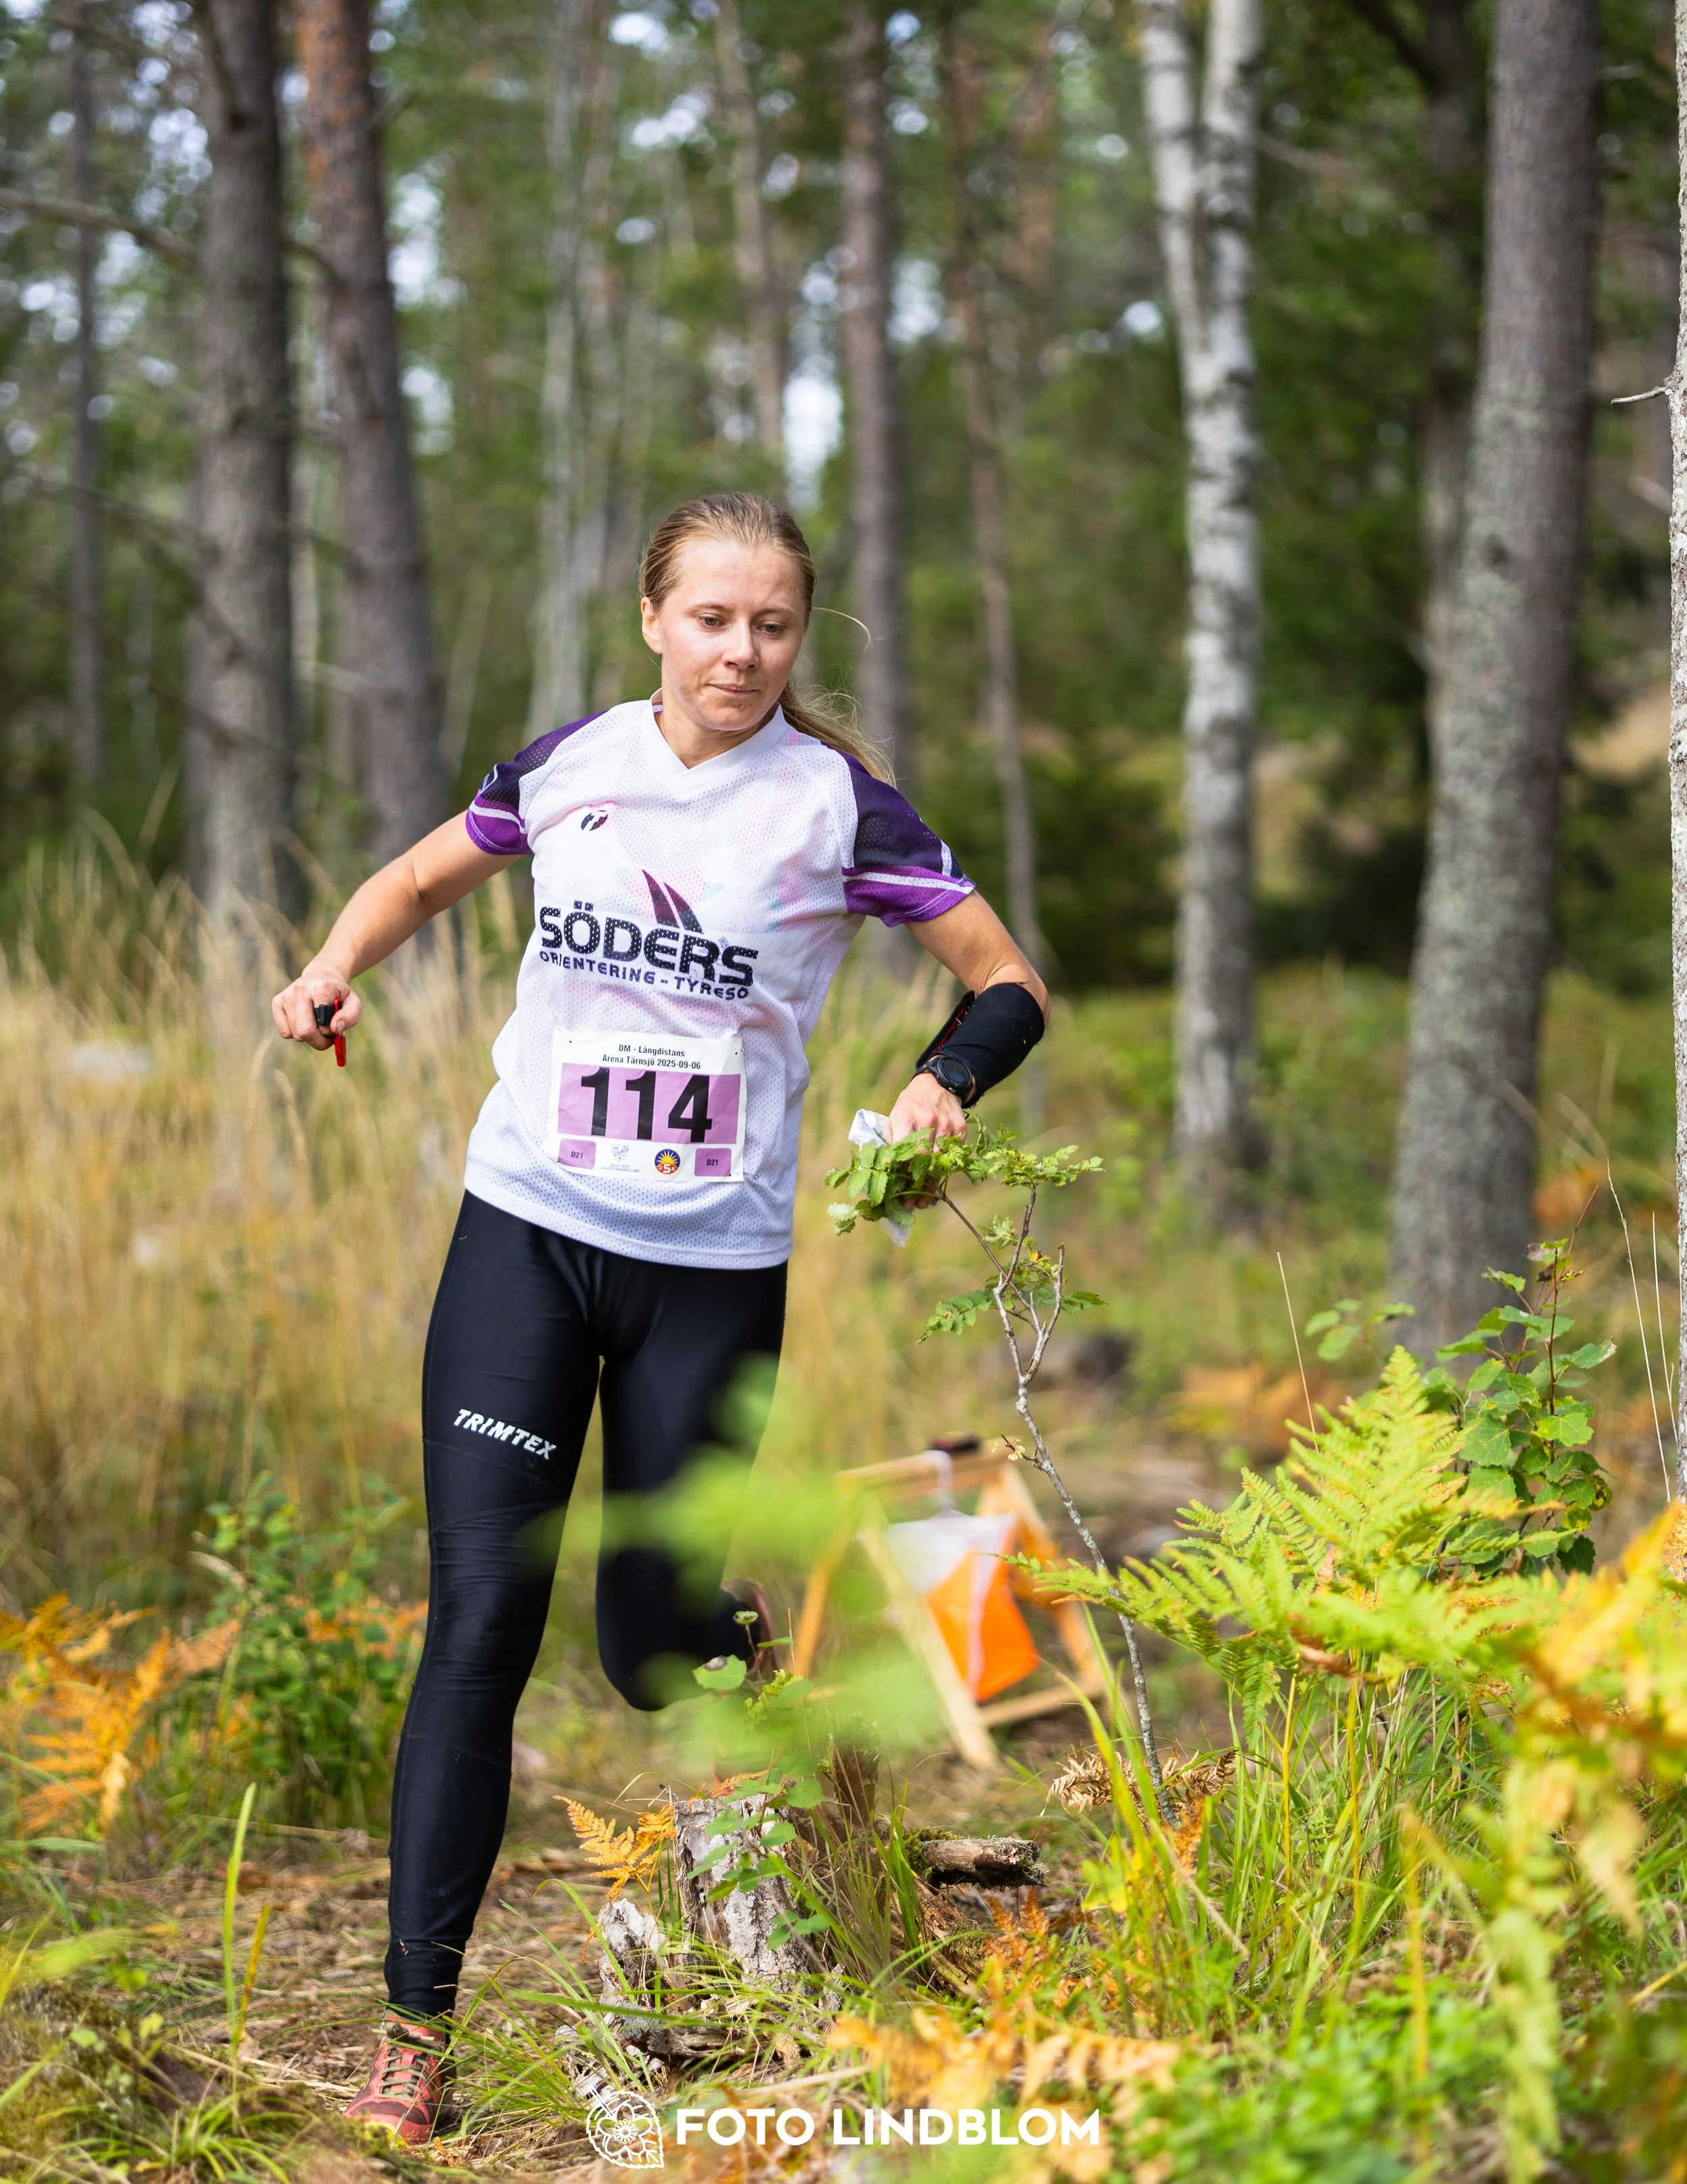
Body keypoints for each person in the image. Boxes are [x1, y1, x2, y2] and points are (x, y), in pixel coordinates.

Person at [271, 492, 1047, 2145]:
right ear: (652, 620)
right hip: (527, 1238)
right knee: (480, 1618)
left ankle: (765, 1725)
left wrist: (936, 1089)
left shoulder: (838, 806)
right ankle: (415, 2031)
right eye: (710, 619)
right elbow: (415, 876)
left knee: (646, 1650)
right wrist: (333, 961)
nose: (740, 653)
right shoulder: (570, 766)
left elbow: (1006, 981)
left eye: (770, 625)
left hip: (711, 1273)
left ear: (795, 637)